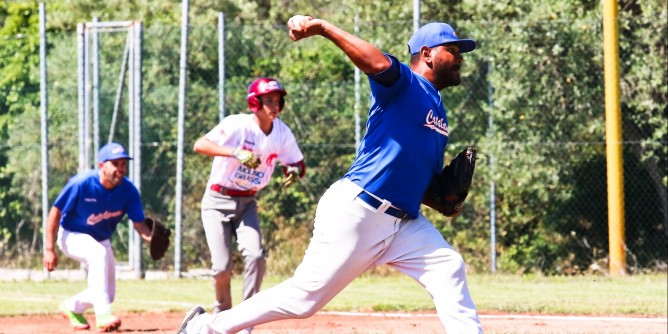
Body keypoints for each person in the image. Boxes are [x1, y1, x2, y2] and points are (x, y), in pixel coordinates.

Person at [178, 15, 482, 334]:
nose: (460, 56)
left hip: (405, 222)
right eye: (453, 48)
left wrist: (446, 201)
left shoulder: (439, 110)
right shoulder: (404, 83)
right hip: (360, 209)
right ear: (427, 53)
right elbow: (376, 63)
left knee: (449, 267)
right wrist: (322, 28)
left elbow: (424, 182)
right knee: (303, 300)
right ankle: (203, 327)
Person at [191, 77, 306, 332]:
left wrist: (294, 172)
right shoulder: (238, 125)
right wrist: (235, 152)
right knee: (222, 267)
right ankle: (222, 316)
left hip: (247, 202)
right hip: (217, 201)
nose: (274, 106)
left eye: (277, 101)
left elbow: (297, 163)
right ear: (255, 103)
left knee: (256, 257)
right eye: (268, 101)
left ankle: (246, 321)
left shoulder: (281, 132)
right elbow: (200, 145)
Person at [43, 142, 152, 332]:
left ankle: (72, 307)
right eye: (115, 163)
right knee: (98, 254)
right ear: (102, 165)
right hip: (70, 235)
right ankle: (103, 315)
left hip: (101, 239)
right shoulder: (82, 183)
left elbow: (139, 223)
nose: (120, 168)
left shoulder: (128, 191)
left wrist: (151, 238)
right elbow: (55, 213)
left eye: (123, 164)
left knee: (107, 293)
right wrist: (49, 249)